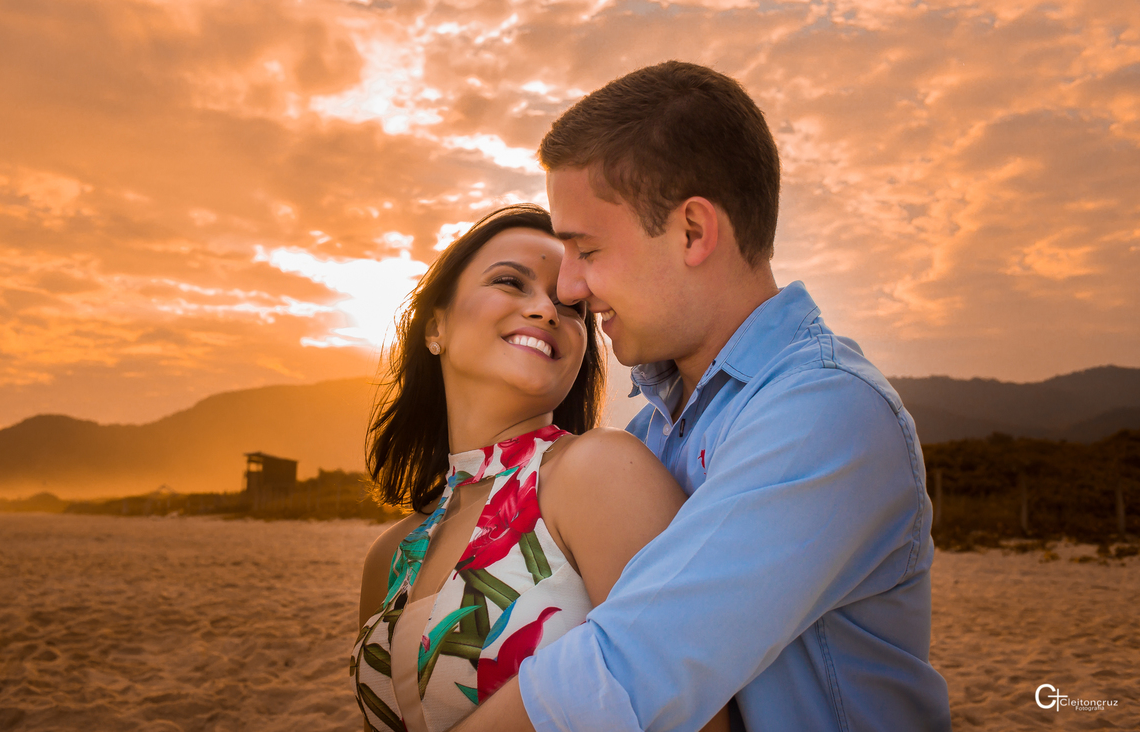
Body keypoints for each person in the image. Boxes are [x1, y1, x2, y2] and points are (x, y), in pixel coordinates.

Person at [450, 63, 953, 731]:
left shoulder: (828, 413)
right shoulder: (653, 432)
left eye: (587, 249)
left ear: (692, 231)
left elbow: (630, 671)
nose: (568, 287)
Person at [350, 204, 731, 732]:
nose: (547, 311)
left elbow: (695, 714)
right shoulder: (389, 557)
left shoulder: (598, 472)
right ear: (435, 325)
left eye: (570, 306)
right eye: (510, 282)